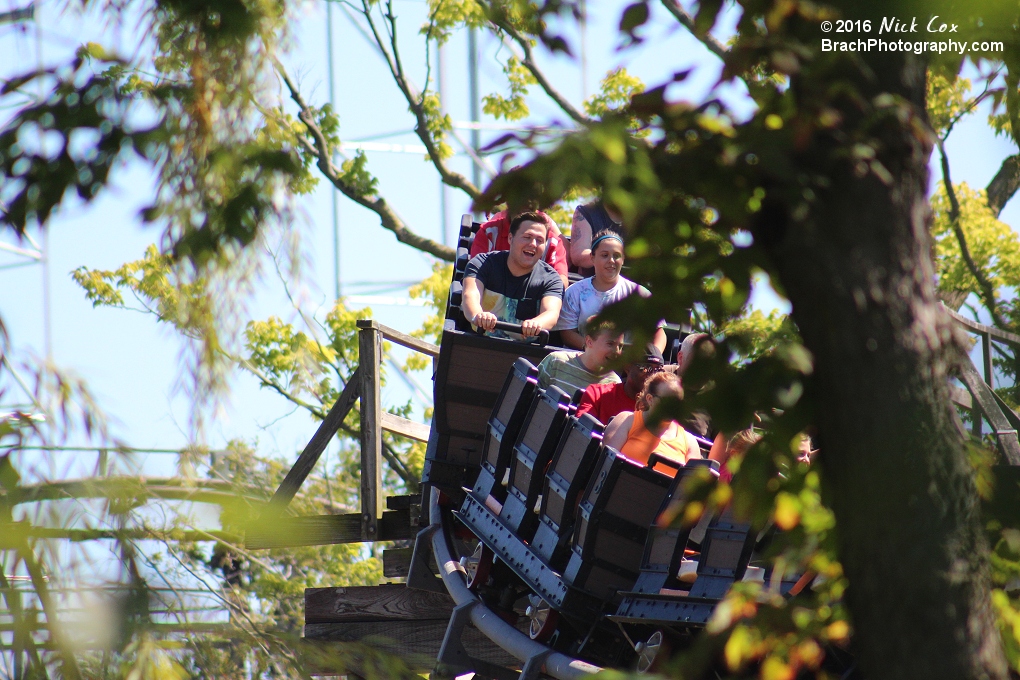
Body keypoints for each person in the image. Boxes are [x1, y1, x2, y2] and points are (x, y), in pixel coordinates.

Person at [554, 230, 667, 352]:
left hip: (626, 365)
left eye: (616, 256)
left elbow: (658, 333)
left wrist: (654, 357)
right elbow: (567, 334)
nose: (611, 260)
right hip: (582, 358)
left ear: (623, 259)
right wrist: (595, 351)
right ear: (592, 258)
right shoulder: (574, 293)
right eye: (604, 255)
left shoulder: (640, 294)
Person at [461, 212, 564, 340]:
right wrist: (478, 315)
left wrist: (537, 324)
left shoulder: (551, 279)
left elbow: (551, 313)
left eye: (539, 240)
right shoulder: (482, 263)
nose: (533, 244)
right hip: (479, 341)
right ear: (510, 238)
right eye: (527, 237)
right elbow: (470, 295)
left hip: (524, 351)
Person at [604, 371, 703, 476]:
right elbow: (605, 465)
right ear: (650, 399)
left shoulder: (689, 442)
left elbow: (688, 487)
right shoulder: (626, 420)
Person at [470, 202, 570, 289]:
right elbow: (475, 275)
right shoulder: (489, 233)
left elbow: (560, 282)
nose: (526, 200)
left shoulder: (553, 243)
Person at [575, 343, 664, 425]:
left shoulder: (661, 409)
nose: (652, 375)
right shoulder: (597, 394)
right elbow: (580, 432)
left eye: (658, 370)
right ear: (627, 367)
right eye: (646, 368)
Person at [536, 319, 625, 396]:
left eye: (620, 346)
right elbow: (531, 394)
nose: (616, 351)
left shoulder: (614, 384)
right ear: (589, 341)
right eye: (610, 344)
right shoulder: (556, 361)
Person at [569, 199, 625, 275]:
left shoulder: (642, 216)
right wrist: (607, 256)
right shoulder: (587, 212)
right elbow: (578, 256)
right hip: (593, 282)